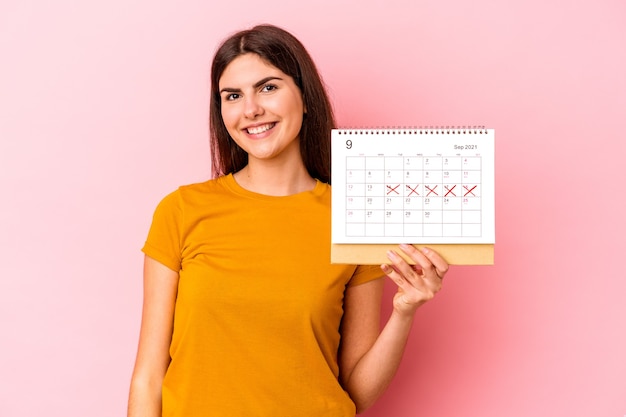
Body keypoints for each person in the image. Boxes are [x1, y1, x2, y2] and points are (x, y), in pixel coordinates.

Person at [127, 24, 448, 417]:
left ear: (305, 96)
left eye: (268, 87)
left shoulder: (355, 214)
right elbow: (148, 376)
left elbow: (353, 393)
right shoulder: (181, 210)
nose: (251, 110)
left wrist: (404, 311)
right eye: (233, 96)